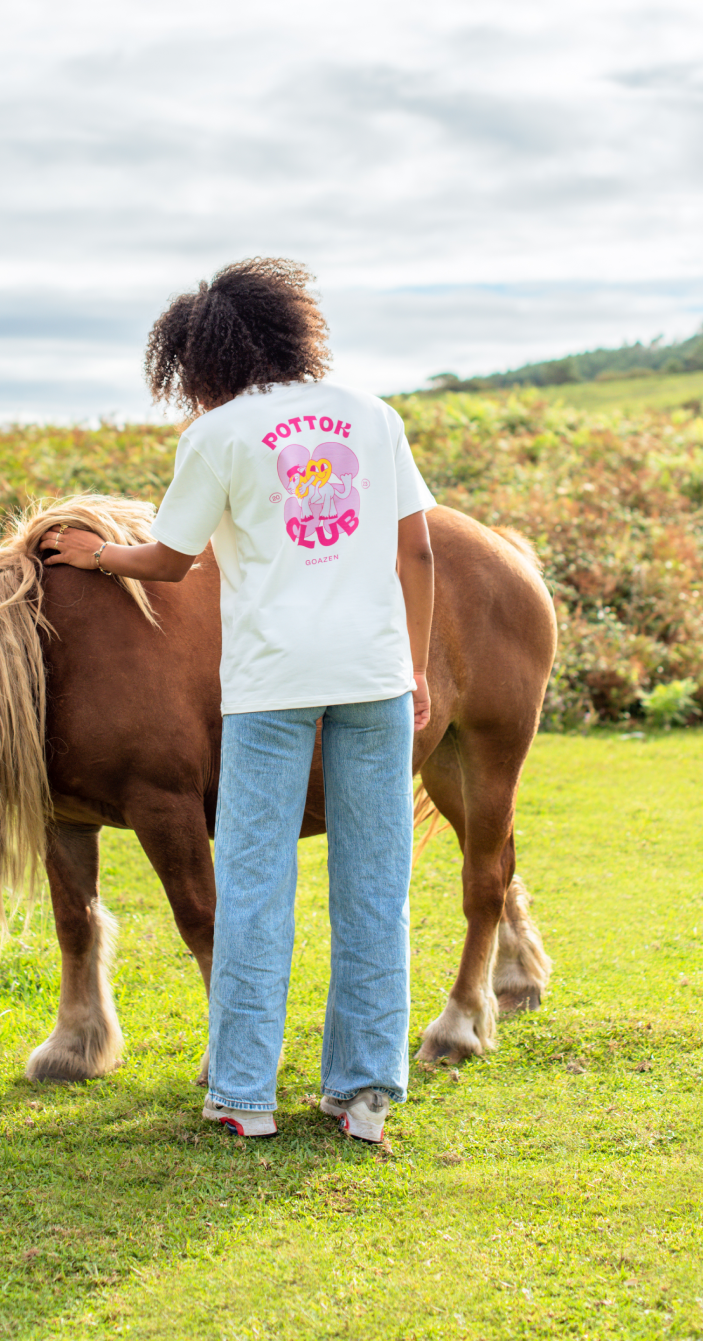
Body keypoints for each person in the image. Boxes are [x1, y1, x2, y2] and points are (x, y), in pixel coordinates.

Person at [46, 257, 435, 1144]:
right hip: (374, 679)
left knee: (256, 889)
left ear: (197, 359)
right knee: (374, 886)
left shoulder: (216, 435)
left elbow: (170, 560)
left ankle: (246, 1094)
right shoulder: (374, 418)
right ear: (293, 329)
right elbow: (417, 554)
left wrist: (94, 554)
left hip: (270, 689)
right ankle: (363, 1098)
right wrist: (412, 665)